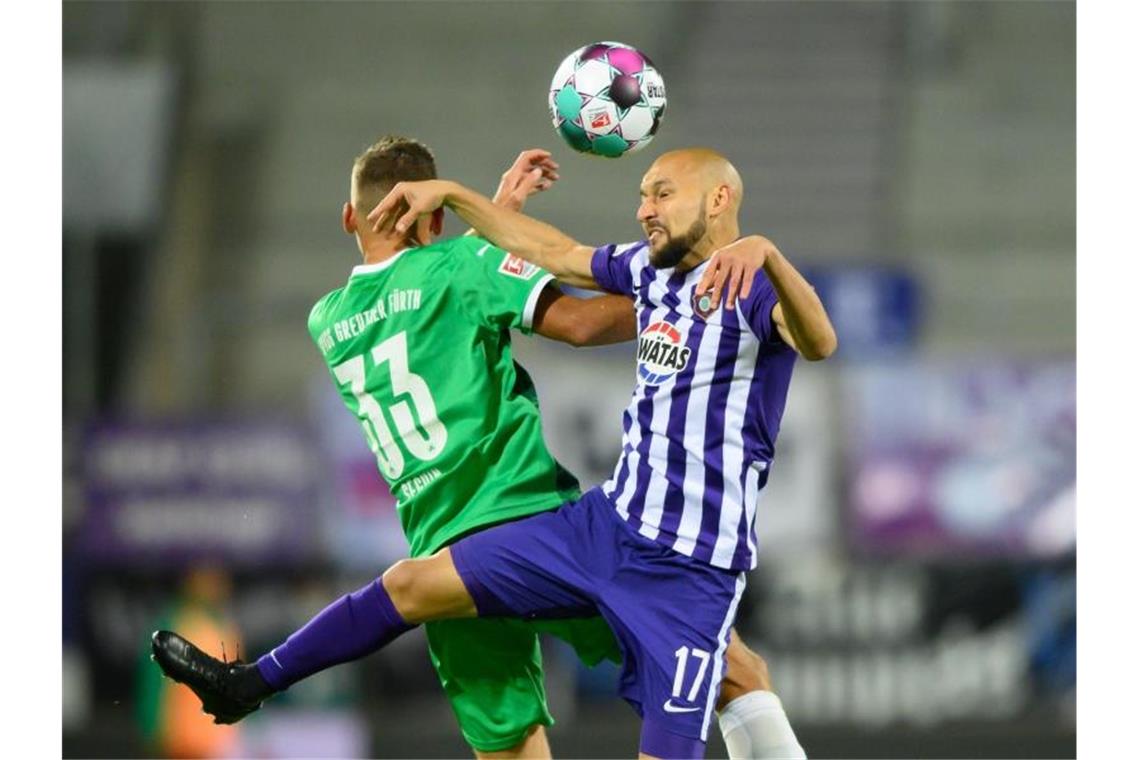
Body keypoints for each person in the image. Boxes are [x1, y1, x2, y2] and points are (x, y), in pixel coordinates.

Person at [152, 137, 804, 759]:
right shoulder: (468, 264)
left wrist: (493, 222)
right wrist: (690, 296)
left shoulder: (329, 318)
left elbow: (422, 294)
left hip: (443, 548)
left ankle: (251, 682)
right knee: (733, 670)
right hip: (531, 518)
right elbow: (575, 321)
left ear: (351, 215)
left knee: (507, 744)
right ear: (428, 217)